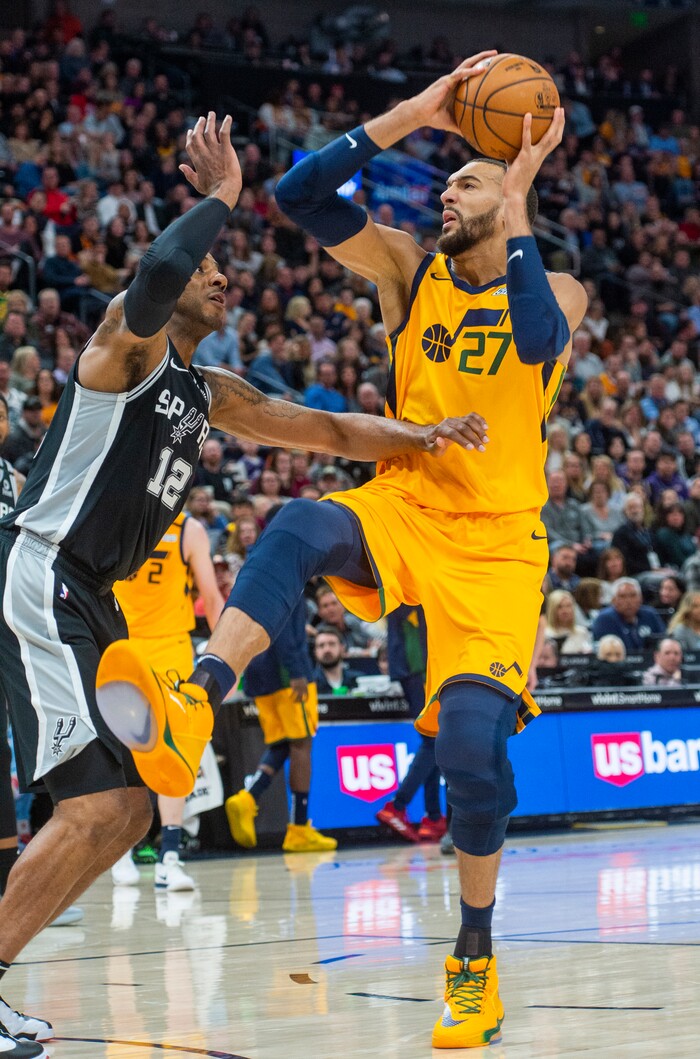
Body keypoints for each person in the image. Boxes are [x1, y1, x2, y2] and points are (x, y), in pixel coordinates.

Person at [101, 59, 588, 1051]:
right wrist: (417, 112)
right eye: (447, 181)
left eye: (467, 181)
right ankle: (200, 697)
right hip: (406, 501)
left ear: (508, 195)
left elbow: (538, 339)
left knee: (470, 750)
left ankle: (474, 961)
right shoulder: (408, 270)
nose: (446, 192)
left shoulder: (561, 286)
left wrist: (518, 195)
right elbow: (299, 195)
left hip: (499, 548)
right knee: (298, 524)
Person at [0, 113, 478, 1050]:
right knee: (95, 806)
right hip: (42, 568)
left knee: (129, 807)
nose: (224, 278)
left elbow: (325, 429)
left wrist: (422, 436)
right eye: (212, 268)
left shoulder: (208, 390)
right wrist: (221, 195)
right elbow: (157, 271)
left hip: (90, 595)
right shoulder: (122, 352)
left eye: (226, 269)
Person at [110, 511, 223, 891]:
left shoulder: (189, 529)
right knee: (125, 750)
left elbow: (211, 598)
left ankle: (170, 857)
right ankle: (123, 851)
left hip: (172, 650)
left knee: (173, 750)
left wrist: (225, 662)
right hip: (123, 646)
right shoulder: (119, 520)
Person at [226, 590, 336, 854]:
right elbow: (284, 626)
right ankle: (298, 829)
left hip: (258, 670)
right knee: (302, 744)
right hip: (287, 673)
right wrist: (297, 671)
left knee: (283, 744)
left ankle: (248, 797)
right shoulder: (290, 575)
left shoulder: (258, 576)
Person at [376, 604, 447, 842]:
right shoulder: (414, 587)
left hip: (413, 664)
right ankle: (397, 806)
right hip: (418, 664)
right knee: (432, 741)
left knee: (434, 740)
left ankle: (433, 817)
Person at [591, 578, 666, 652]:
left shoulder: (650, 614)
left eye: (633, 595)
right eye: (622, 596)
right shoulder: (605, 619)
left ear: (641, 599)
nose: (628, 601)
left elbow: (663, 641)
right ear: (613, 600)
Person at [311, 626, 364, 693]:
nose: (327, 650)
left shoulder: (359, 680)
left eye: (332, 644)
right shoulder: (309, 683)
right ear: (315, 651)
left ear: (342, 648)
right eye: (321, 645)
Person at [544, 589, 593, 654]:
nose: (565, 611)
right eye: (560, 607)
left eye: (568, 606)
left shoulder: (582, 633)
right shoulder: (543, 634)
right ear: (552, 610)